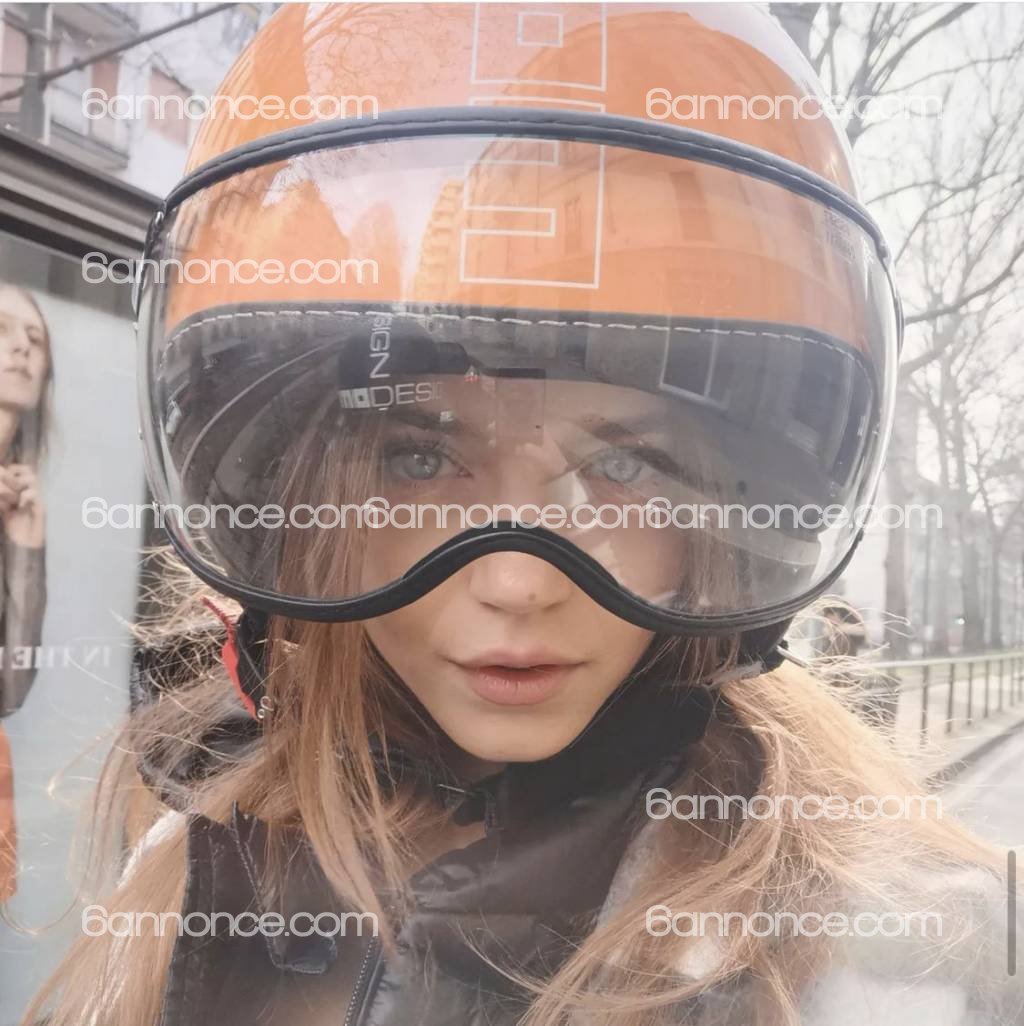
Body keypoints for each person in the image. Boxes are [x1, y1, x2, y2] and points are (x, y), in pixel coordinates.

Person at [24, 4, 1022, 1025]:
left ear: (717, 524)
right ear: (305, 503)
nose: (518, 582)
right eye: (419, 459)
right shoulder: (186, 876)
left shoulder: (921, 958)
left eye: (624, 467)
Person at [0, 283, 51, 902]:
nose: (20, 348)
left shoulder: (20, 497)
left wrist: (27, 549)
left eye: (35, 339)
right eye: (2, 330)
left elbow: (10, 688)